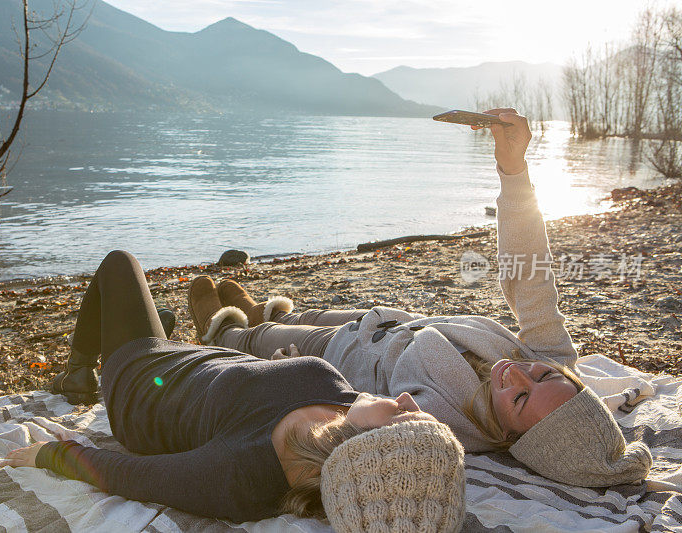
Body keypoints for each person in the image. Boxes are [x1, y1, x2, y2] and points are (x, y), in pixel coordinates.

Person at [192, 108, 653, 488]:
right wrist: (514, 169)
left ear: (516, 439)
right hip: (384, 320)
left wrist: (295, 378)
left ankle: (228, 329)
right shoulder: (551, 355)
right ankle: (257, 312)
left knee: (250, 336)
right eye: (542, 374)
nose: (518, 373)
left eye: (518, 399)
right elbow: (529, 274)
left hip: (343, 355)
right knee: (292, 311)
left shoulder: (444, 425)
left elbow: (350, 423)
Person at [1, 250, 466, 532]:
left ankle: (80, 371)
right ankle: (166, 328)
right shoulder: (342, 400)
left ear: (364, 449)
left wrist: (51, 455)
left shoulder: (240, 478)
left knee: (120, 265)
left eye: (406, 417)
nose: (407, 401)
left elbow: (130, 474)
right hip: (200, 362)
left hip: (141, 380)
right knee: (161, 319)